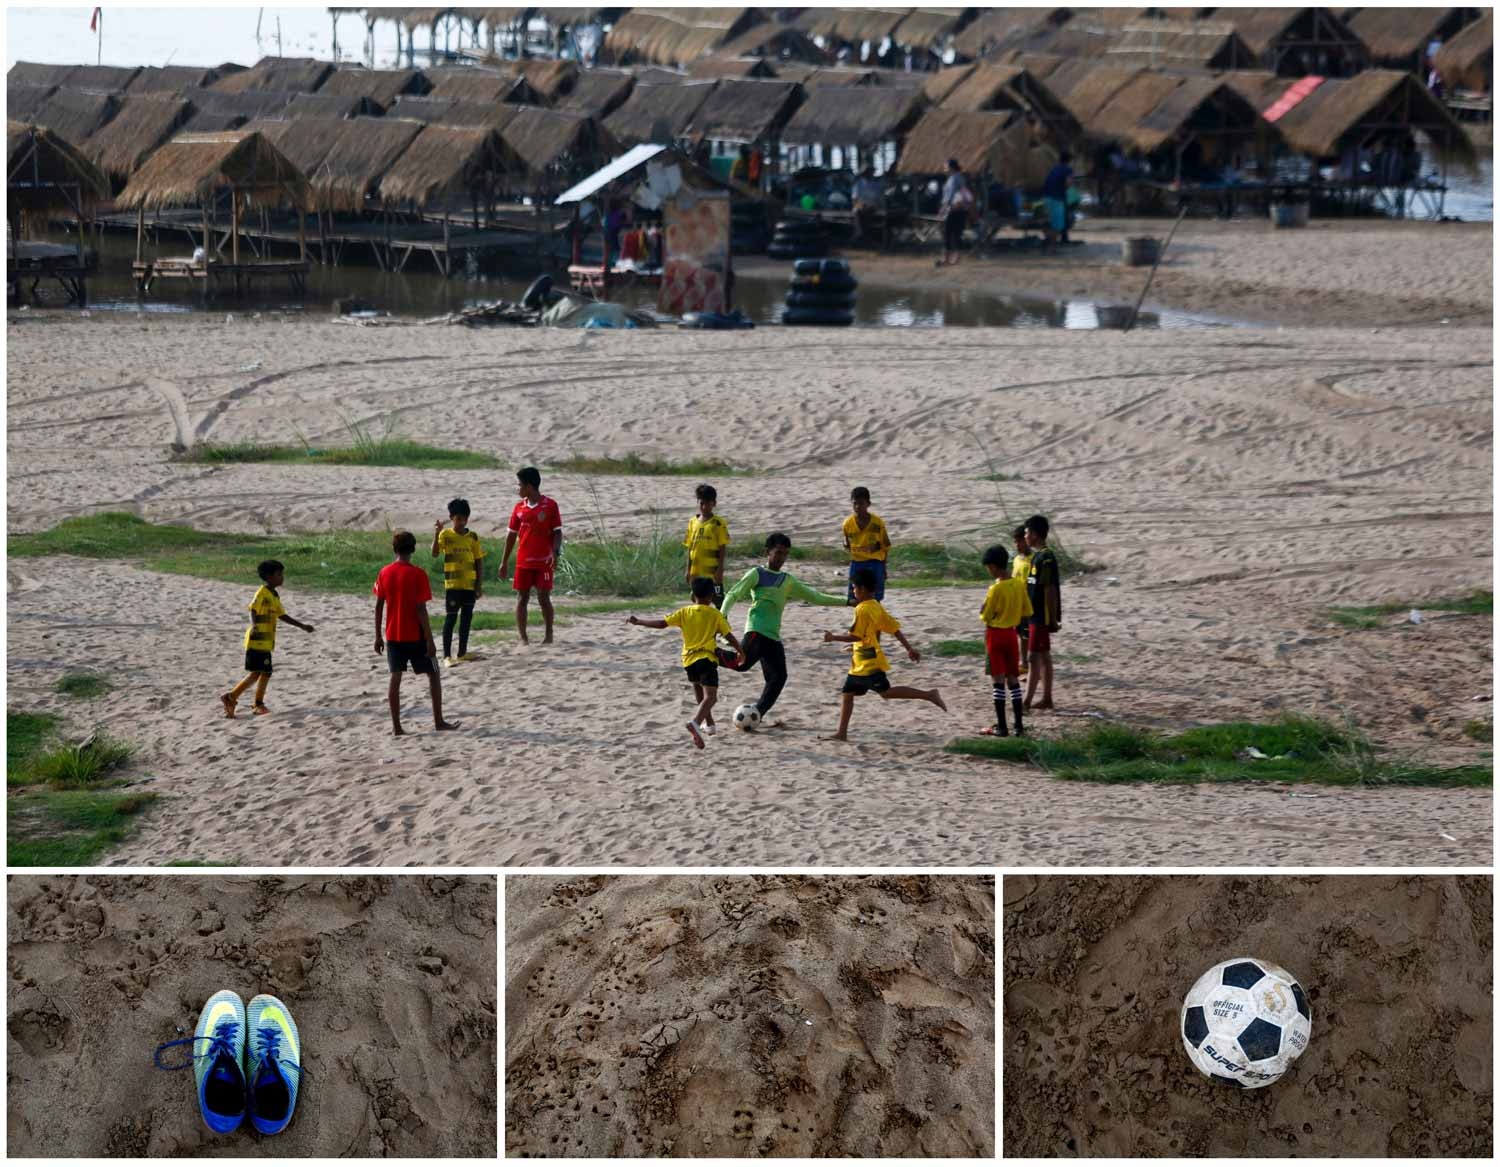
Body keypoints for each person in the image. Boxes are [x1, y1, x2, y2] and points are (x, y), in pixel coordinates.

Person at [719, 532, 845, 726]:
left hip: (773, 637)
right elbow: (734, 594)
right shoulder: (757, 574)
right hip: (756, 630)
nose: (781, 558)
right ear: (767, 552)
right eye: (778, 553)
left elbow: (816, 597)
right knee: (741, 664)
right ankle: (707, 652)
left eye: (785, 554)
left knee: (778, 677)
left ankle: (757, 713)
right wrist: (722, 615)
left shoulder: (787, 580)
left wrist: (848, 601)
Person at [821, 568, 946, 742]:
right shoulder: (876, 606)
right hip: (863, 657)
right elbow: (894, 628)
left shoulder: (863, 609)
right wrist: (909, 648)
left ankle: (929, 695)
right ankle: (842, 733)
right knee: (848, 694)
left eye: (854, 588)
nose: (853, 591)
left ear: (863, 589)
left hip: (868, 661)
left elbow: (857, 635)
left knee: (886, 692)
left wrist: (833, 637)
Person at [627, 577, 744, 749]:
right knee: (711, 697)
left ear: (692, 594)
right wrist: (741, 651)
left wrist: (639, 622)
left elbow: (661, 624)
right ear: (711, 596)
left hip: (688, 661)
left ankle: (709, 724)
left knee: (699, 689)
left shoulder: (684, 612)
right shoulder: (715, 614)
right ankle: (696, 723)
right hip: (706, 659)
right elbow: (728, 636)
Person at [373, 530, 457, 736]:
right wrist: (430, 639)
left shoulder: (384, 572)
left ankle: (397, 727)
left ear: (394, 549)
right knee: (434, 674)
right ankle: (438, 721)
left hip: (393, 635)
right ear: (413, 549)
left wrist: (377, 635)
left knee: (395, 678)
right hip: (416, 635)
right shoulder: (418, 574)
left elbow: (378, 605)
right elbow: (421, 609)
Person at [221, 559, 314, 719]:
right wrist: (254, 625)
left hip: (266, 642)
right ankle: (251, 702)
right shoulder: (262, 593)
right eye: (279, 574)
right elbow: (252, 609)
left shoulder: (274, 595)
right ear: (269, 577)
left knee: (262, 672)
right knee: (261, 672)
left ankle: (236, 698)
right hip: (257, 640)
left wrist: (302, 626)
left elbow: (282, 615)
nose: (282, 577)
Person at [499, 467, 563, 645]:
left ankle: (549, 634)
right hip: (523, 562)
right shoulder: (519, 507)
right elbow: (511, 535)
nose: (517, 488)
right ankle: (523, 637)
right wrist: (504, 562)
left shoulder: (550, 505)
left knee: (544, 598)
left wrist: (555, 552)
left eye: (519, 485)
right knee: (522, 598)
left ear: (529, 486)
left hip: (544, 562)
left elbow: (557, 533)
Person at [978, 545, 1032, 737]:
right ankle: (1018, 726)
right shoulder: (1018, 584)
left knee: (998, 681)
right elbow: (1027, 611)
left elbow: (985, 615)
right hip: (1011, 635)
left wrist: (983, 608)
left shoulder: (995, 588)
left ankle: (1002, 726)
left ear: (993, 567)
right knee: (1013, 679)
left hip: (995, 635)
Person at [431, 497, 484, 667]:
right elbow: (434, 553)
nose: (460, 522)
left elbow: (478, 561)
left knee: (466, 619)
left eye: (463, 518)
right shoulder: (446, 534)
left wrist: (478, 585)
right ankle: (447, 656)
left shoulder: (473, 537)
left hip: (469, 585)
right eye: (457, 518)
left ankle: (462, 652)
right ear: (451, 518)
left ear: (467, 518)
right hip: (453, 585)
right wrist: (436, 533)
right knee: (451, 619)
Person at [1022, 514, 1062, 711]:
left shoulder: (1045, 558)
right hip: (1033, 615)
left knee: (1033, 657)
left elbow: (1049, 590)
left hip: (1040, 616)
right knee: (1044, 655)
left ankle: (1026, 702)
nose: (1025, 536)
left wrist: (1052, 619)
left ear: (1036, 535)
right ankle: (1046, 699)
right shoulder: (1037, 557)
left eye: (1027, 532)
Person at [842, 485, 891, 603]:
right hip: (857, 564)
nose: (858, 507)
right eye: (855, 504)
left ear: (868, 504)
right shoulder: (847, 524)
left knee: (874, 598)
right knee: (854, 599)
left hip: (875, 564)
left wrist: (884, 568)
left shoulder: (877, 524)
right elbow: (847, 544)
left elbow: (885, 546)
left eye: (861, 503)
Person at [684, 482, 729, 602]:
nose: (704, 507)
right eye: (701, 503)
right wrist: (687, 569)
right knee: (697, 601)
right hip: (696, 572)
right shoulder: (692, 522)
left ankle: (723, 621)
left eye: (708, 503)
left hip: (713, 573)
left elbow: (722, 548)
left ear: (714, 503)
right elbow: (689, 547)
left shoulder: (718, 523)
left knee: (719, 600)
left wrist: (720, 570)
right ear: (698, 502)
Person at [937, 158, 973, 267]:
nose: (944, 169)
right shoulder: (960, 177)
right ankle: (955, 258)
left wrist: (943, 208)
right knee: (956, 233)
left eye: (946, 167)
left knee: (947, 233)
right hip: (961, 209)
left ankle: (947, 259)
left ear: (951, 167)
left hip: (953, 209)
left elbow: (950, 195)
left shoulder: (953, 178)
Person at [1010, 524, 1032, 676]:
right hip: (1016, 603)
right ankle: (1021, 660)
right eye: (1015, 542)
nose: (1018, 545)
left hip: (1028, 604)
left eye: (1020, 541)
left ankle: (1024, 662)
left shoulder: (1033, 560)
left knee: (1026, 634)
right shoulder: (1017, 560)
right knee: (1018, 633)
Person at [1042, 151, 1073, 254]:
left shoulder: (1054, 169)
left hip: (1047, 197)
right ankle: (1052, 248)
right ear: (1069, 161)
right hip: (1057, 198)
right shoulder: (1067, 169)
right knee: (1057, 225)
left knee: (1049, 222)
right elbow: (1068, 183)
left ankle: (1049, 244)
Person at [853, 165, 885, 243]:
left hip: (872, 207)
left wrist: (879, 206)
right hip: (861, 207)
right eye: (869, 172)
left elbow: (879, 198)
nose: (871, 173)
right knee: (858, 212)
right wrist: (860, 205)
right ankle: (860, 233)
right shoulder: (858, 184)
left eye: (871, 172)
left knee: (868, 212)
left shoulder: (876, 184)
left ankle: (864, 235)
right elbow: (855, 198)